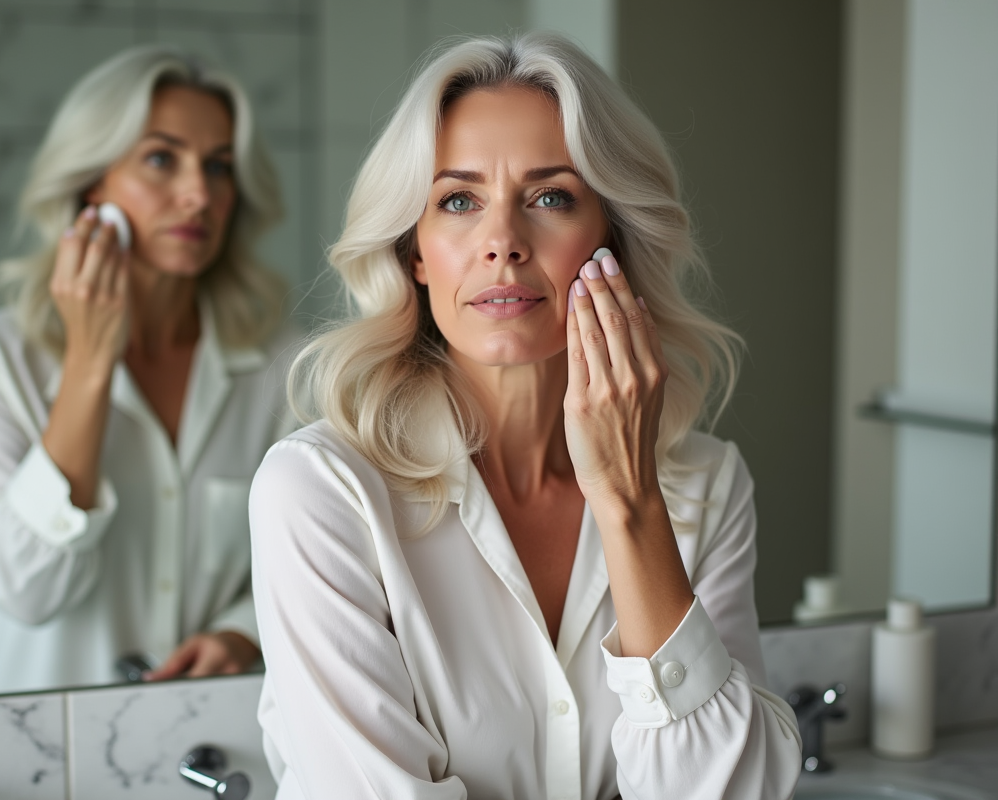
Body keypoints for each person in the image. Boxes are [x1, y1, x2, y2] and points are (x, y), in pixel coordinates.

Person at [249, 33, 802, 799]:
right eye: (458, 201)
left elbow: (732, 788)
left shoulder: (703, 486)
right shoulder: (321, 492)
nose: (502, 243)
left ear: (609, 236)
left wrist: (629, 501)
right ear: (415, 251)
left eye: (550, 197)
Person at [0, 44, 295, 696]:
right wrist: (89, 363)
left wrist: (244, 631)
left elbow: (318, 559)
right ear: (90, 185)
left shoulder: (288, 367)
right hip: (32, 746)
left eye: (218, 168)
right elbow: (24, 592)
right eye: (162, 159)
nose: (198, 194)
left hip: (213, 746)